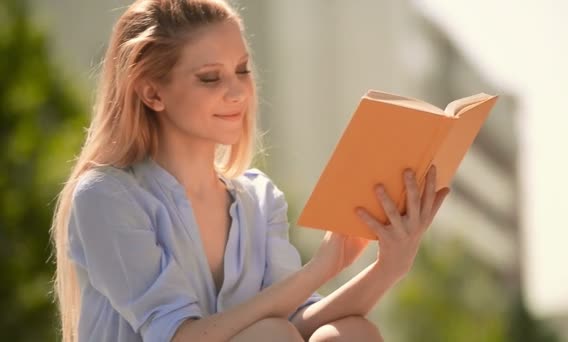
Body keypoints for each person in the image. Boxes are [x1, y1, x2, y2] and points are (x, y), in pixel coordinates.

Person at [50, 0, 450, 341]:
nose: (238, 90)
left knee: (350, 333)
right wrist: (321, 268)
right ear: (153, 92)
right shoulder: (105, 196)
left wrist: (389, 267)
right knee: (271, 335)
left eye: (242, 69)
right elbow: (180, 335)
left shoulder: (257, 198)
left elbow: (299, 324)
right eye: (210, 78)